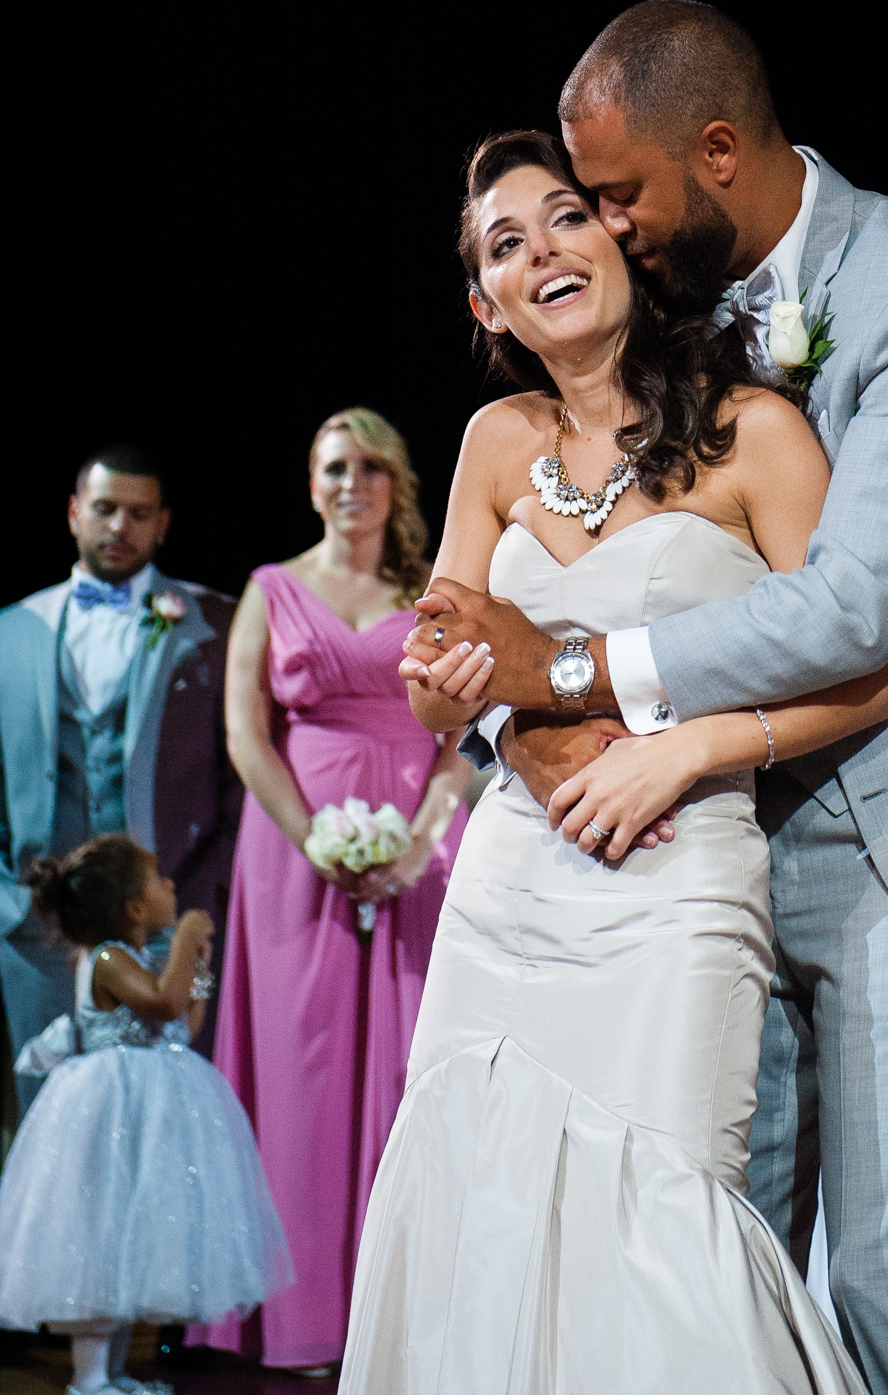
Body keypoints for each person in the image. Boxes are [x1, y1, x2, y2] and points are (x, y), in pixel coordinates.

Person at [402, 1, 888, 1395]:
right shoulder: (655, 324)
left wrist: (573, 677)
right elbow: (485, 624)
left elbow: (859, 614)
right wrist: (514, 722)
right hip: (697, 879)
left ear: (717, 150)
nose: (599, 230)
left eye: (611, 196)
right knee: (698, 1278)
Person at [341, 129, 881, 1392]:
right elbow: (440, 672)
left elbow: (862, 674)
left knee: (663, 1214)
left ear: (618, 239)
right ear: (491, 303)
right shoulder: (489, 443)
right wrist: (458, 695)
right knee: (478, 1197)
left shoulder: (758, 432)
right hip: (509, 886)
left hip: (680, 871)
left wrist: (685, 752)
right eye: (508, 245)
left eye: (566, 217)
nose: (547, 250)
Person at [203, 409, 470, 1377]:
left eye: (368, 466)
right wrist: (312, 832)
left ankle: (411, 1316)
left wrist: (424, 844)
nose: (350, 481)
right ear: (310, 484)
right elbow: (245, 733)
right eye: (331, 467)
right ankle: (306, 1318)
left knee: (415, 1071)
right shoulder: (271, 590)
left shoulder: (433, 590)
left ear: (396, 482)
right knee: (302, 1075)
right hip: (293, 855)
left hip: (420, 848)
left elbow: (461, 745)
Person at [0, 833, 291, 1395]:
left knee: (134, 1245)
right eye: (159, 879)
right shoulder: (107, 958)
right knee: (102, 1238)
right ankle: (89, 1379)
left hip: (150, 1110)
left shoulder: (132, 957)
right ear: (133, 907)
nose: (171, 885)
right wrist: (185, 937)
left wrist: (197, 966)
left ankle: (114, 1373)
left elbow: (180, 1026)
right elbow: (161, 1002)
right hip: (112, 1110)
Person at [0, 446, 241, 1121]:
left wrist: (203, 894)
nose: (120, 527)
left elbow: (239, 774)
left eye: (139, 514)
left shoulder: (214, 624)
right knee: (49, 1124)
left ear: (162, 525)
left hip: (167, 923)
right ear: (75, 512)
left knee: (166, 1124)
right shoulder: (12, 631)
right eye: (105, 509)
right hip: (36, 933)